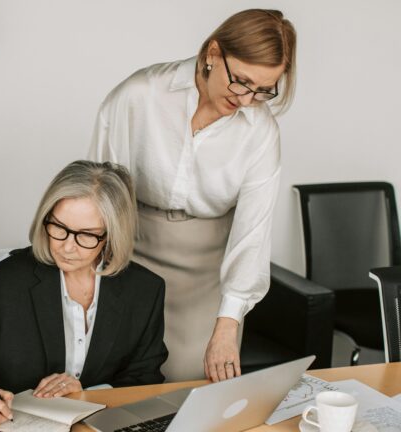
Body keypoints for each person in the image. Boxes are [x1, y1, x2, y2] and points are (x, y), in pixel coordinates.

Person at [89, 9, 297, 383]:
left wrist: (228, 324)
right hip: (129, 254)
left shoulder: (261, 132)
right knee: (118, 378)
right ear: (213, 53)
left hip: (208, 276)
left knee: (193, 386)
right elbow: (100, 192)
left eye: (264, 89)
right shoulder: (140, 95)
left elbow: (253, 234)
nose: (248, 100)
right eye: (242, 82)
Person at [0, 160, 168, 428]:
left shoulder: (145, 290)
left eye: (86, 235)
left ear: (111, 235)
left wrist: (86, 391)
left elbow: (144, 378)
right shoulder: (5, 279)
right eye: (59, 228)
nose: (67, 247)